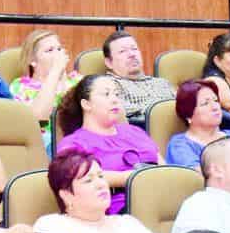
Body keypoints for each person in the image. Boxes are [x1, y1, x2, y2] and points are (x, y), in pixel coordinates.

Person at [32, 151, 170, 233]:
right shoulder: (52, 227)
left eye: (101, 176)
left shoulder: (128, 223)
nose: (101, 185)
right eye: (88, 181)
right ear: (66, 195)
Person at [55, 74, 160, 213]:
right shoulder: (73, 143)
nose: (114, 99)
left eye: (116, 94)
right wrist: (135, 178)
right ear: (86, 104)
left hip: (161, 197)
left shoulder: (134, 131)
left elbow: (162, 164)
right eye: (106, 94)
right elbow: (80, 179)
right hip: (118, 207)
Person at [165, 79, 230, 170]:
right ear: (189, 115)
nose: (215, 107)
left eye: (216, 100)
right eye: (205, 103)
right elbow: (199, 175)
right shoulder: (180, 145)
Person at [100, 29, 177, 119]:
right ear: (109, 62)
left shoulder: (162, 83)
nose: (132, 54)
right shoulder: (109, 85)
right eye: (122, 51)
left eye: (134, 49)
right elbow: (120, 110)